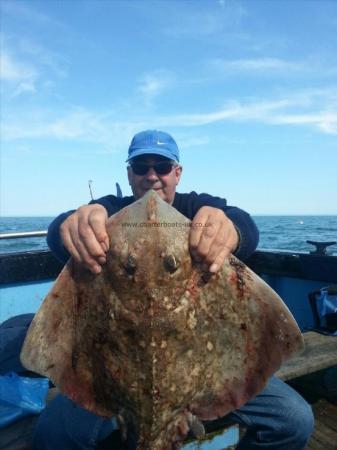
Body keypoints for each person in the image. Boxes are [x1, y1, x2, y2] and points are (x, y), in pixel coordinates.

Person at [34, 130, 314, 450]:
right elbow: (60, 232)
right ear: (129, 174)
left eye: (162, 167)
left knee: (293, 419)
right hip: (111, 369)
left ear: (177, 173)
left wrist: (231, 230)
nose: (152, 176)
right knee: (52, 434)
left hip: (207, 369)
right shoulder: (111, 212)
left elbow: (244, 224)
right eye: (141, 166)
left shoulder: (197, 208)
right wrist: (71, 225)